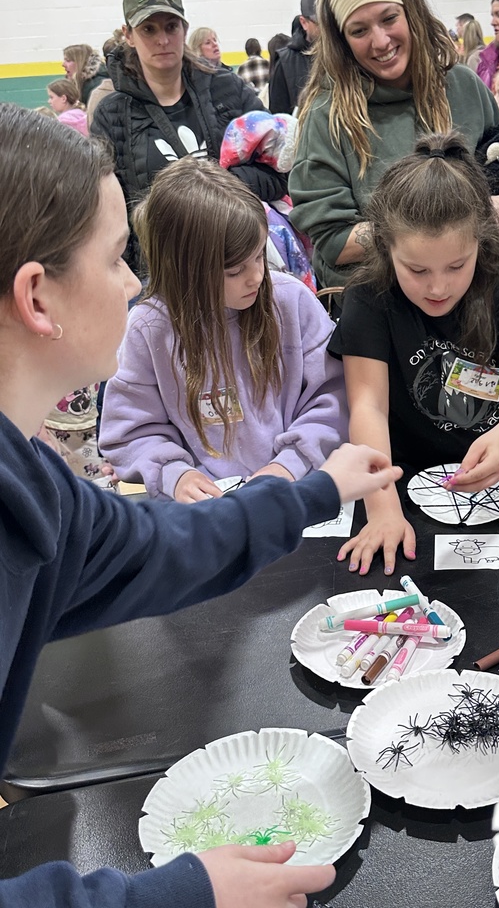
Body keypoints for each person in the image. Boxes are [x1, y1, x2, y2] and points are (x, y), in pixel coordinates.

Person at [0, 101, 401, 906]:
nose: (134, 284)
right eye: (116, 259)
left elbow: (156, 546)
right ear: (38, 297)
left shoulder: (34, 482)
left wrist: (312, 489)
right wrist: (178, 895)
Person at [329, 132, 499, 574]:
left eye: (456, 266)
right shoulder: (370, 296)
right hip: (402, 476)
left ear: (481, 243)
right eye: (416, 269)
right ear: (386, 248)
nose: (438, 287)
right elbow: (368, 405)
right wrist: (383, 508)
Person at [100, 157, 347, 501]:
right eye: (234, 271)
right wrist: (175, 474)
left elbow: (335, 399)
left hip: (297, 491)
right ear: (184, 269)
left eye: (259, 256)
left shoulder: (291, 300)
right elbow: (130, 433)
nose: (256, 276)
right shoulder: (149, 328)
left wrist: (290, 463)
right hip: (209, 510)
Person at [290, 0, 499, 293]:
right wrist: (436, 234)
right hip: (379, 304)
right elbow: (334, 241)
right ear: (342, 41)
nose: (380, 42)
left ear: (411, 13)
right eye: (359, 30)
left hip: (477, 296)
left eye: (389, 18)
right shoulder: (328, 116)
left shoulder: (463, 88)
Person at [91, 0, 286, 273]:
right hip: (161, 274)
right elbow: (109, 212)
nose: (162, 40)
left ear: (184, 28)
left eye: (171, 26)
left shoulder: (227, 89)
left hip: (236, 263)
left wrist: (221, 186)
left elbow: (279, 172)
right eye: (148, 29)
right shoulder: (112, 114)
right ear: (128, 35)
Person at [269, 0, 320, 114]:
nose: (327, 27)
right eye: (320, 22)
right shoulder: (285, 63)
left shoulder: (346, 54)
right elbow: (279, 115)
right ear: (304, 22)